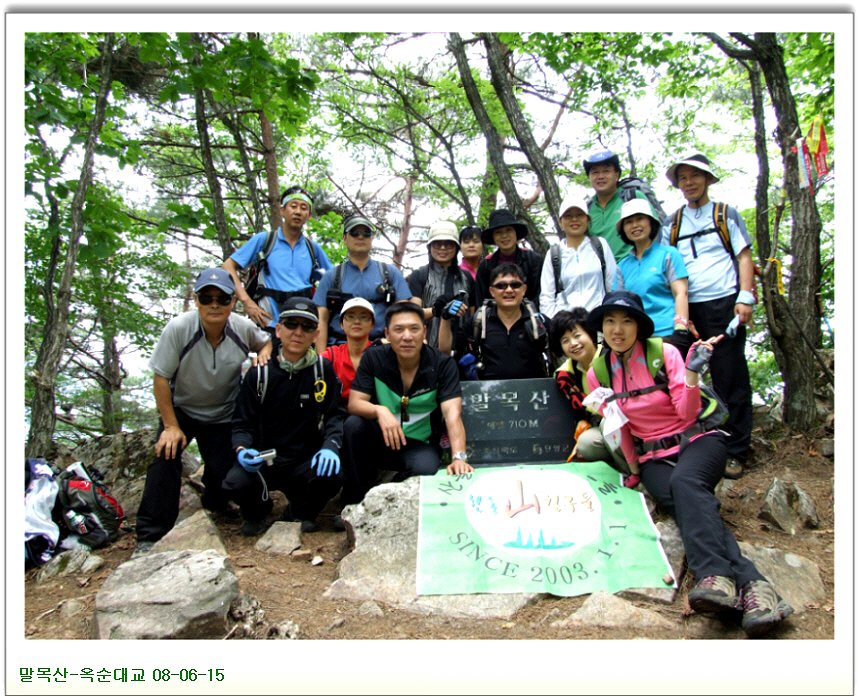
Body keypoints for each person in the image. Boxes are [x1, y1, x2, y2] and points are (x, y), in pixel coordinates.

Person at [584, 290, 793, 638]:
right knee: (687, 504)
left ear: (639, 326)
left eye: (626, 321)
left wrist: (693, 376)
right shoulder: (599, 372)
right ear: (601, 328)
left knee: (685, 485)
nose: (617, 329)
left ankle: (714, 575)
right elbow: (620, 426)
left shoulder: (663, 353)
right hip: (653, 458)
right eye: (609, 321)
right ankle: (754, 587)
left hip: (698, 440)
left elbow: (687, 413)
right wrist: (635, 471)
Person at [134, 268, 273, 553]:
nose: (214, 304)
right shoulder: (179, 329)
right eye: (206, 297)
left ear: (232, 302)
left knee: (226, 477)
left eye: (222, 298)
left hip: (223, 414)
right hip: (182, 410)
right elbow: (161, 378)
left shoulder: (241, 327)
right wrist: (171, 427)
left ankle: (216, 501)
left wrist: (264, 353)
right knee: (165, 456)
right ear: (196, 300)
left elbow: (267, 340)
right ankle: (150, 534)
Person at [661, 153, 755, 479]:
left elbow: (743, 256)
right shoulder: (671, 224)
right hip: (688, 309)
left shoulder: (725, 214)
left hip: (724, 302)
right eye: (682, 178)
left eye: (694, 176)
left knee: (730, 375)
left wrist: (745, 297)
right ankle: (698, 444)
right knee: (689, 380)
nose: (688, 183)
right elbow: (667, 266)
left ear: (707, 179)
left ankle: (737, 450)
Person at [223, 297, 346, 536]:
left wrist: (330, 446)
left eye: (307, 326)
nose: (298, 332)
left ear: (316, 333)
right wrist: (241, 449)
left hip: (303, 461)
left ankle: (299, 512)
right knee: (234, 482)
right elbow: (241, 423)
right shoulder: (259, 374)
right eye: (291, 324)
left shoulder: (323, 371)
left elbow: (335, 415)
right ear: (278, 330)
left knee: (333, 475)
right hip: (263, 460)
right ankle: (258, 511)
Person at [340, 302, 473, 506]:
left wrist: (459, 457)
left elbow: (452, 414)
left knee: (426, 467)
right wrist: (379, 410)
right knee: (353, 425)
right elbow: (355, 403)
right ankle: (354, 500)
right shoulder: (373, 359)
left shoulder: (442, 365)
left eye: (414, 329)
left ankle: (384, 498)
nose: (407, 336)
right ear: (387, 333)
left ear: (424, 331)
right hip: (380, 438)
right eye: (399, 329)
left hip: (419, 444)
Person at [223, 184, 333, 330]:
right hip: (268, 324)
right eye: (293, 206)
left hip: (302, 327)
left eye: (304, 208)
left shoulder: (313, 249)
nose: (298, 212)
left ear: (309, 216)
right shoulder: (265, 240)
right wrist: (247, 302)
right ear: (282, 210)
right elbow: (228, 266)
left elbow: (333, 278)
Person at [313, 212, 416, 350]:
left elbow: (403, 315)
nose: (360, 237)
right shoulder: (331, 277)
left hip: (381, 348)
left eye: (366, 233)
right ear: (345, 238)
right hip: (339, 348)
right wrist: (322, 359)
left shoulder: (391, 273)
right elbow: (322, 319)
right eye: (355, 232)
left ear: (372, 238)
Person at [549, 308, 630, 479]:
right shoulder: (565, 375)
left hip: (631, 420)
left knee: (608, 424)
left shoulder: (612, 357)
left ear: (591, 334)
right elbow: (581, 410)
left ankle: (632, 472)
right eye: (565, 340)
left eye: (577, 335)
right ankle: (620, 470)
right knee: (585, 443)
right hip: (602, 425)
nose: (573, 343)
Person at [440, 263, 550, 381]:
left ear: (524, 289)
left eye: (515, 285)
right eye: (501, 286)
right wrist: (445, 318)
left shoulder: (540, 323)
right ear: (492, 291)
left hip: (533, 395)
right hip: (489, 395)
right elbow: (445, 351)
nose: (508, 290)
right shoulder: (478, 322)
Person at [615, 198, 692, 355]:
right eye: (629, 222)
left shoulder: (668, 254)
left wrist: (681, 329)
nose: (635, 225)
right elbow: (621, 305)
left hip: (668, 334)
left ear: (651, 222)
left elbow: (681, 292)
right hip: (636, 339)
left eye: (640, 219)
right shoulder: (622, 266)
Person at [539, 191, 617, 317]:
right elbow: (547, 297)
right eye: (568, 216)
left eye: (580, 215)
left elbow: (613, 286)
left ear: (587, 219)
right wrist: (555, 324)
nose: (574, 219)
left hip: (598, 321)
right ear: (560, 222)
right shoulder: (554, 254)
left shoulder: (600, 246)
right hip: (567, 327)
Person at [406, 220, 473, 349]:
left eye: (448, 244)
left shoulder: (466, 278)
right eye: (437, 244)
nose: (442, 248)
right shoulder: (420, 275)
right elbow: (412, 313)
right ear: (429, 247)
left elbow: (473, 314)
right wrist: (436, 311)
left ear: (456, 247)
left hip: (463, 351)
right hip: (427, 349)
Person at [583, 149, 648, 263]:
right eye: (595, 172)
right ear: (589, 177)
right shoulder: (586, 209)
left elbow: (655, 232)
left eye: (606, 171)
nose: (601, 176)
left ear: (616, 174)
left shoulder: (633, 197)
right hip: (603, 274)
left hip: (635, 267)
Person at [474, 209, 542, 309]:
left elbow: (538, 294)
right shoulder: (486, 266)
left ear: (516, 233)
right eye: (498, 232)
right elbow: (481, 301)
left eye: (508, 230)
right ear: (493, 237)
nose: (504, 236)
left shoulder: (533, 260)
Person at [321, 297, 374, 401]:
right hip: (337, 414)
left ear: (372, 324)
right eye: (350, 317)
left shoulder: (381, 354)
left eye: (363, 317)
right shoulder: (331, 355)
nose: (357, 321)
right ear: (341, 324)